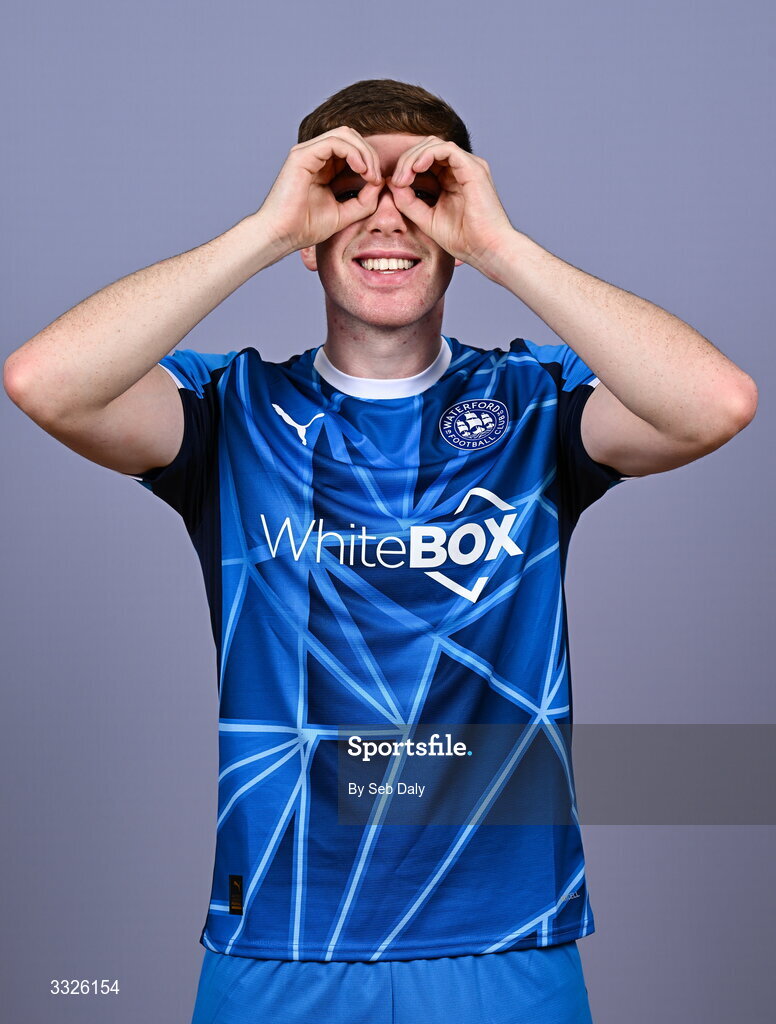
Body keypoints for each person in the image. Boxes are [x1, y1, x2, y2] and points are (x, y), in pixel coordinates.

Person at [3, 78, 758, 1023]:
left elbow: (716, 404)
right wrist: (270, 227)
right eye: (352, 192)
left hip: (506, 938)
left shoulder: (534, 404)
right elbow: (43, 382)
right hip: (281, 935)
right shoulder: (232, 414)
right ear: (312, 240)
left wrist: (500, 247)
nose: (387, 221)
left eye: (425, 195)